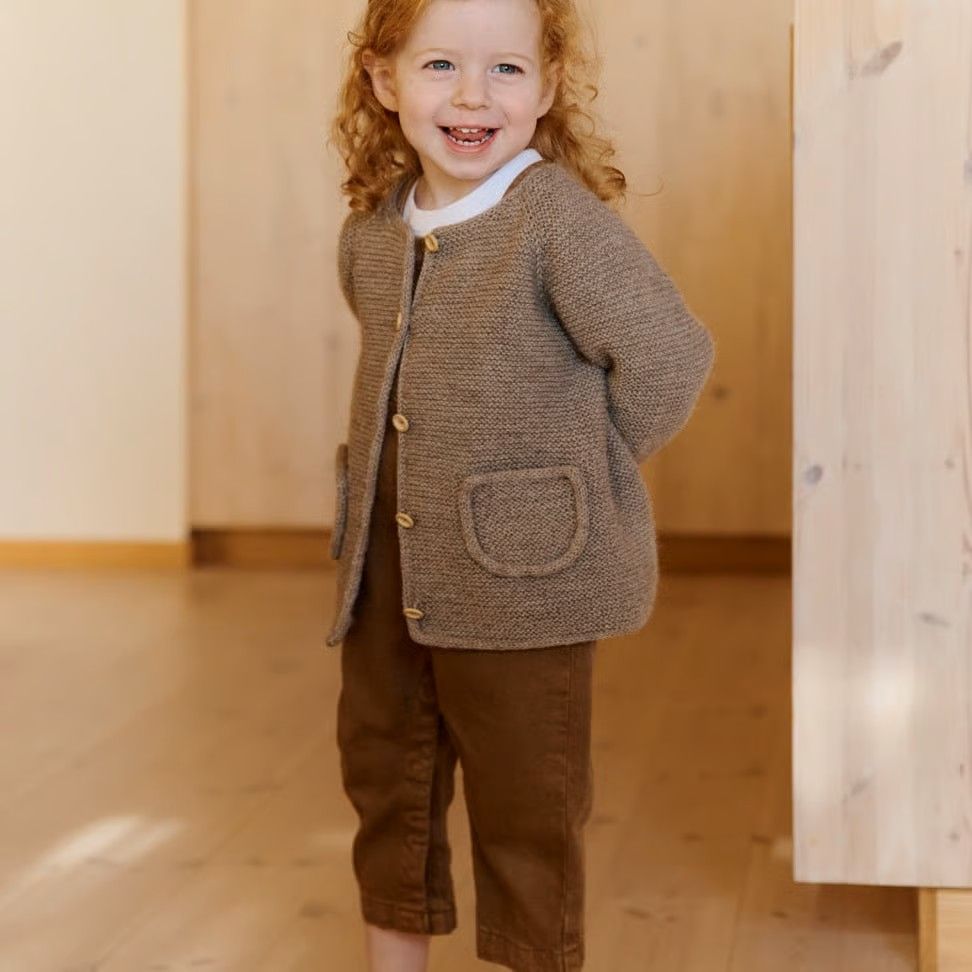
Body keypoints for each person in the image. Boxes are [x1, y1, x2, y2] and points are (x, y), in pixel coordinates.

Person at [326, 0, 716, 969]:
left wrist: (589, 463)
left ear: (547, 89)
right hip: (387, 565)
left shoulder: (555, 223)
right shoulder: (373, 228)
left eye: (505, 69)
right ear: (382, 80)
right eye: (440, 66)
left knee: (525, 803)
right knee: (385, 777)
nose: (472, 95)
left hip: (524, 579)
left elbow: (669, 356)